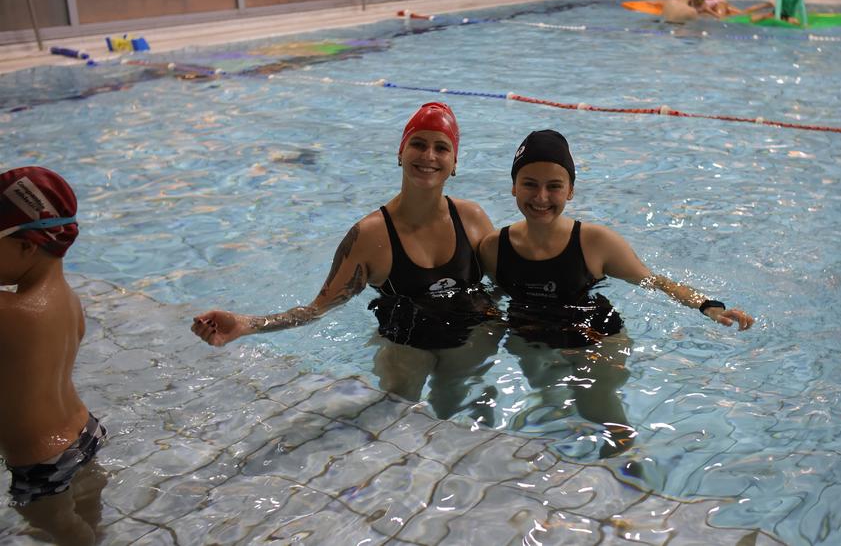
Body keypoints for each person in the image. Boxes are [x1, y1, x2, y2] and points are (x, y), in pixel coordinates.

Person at [192, 102, 501, 418]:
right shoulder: (370, 237)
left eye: (441, 148)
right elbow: (316, 309)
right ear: (400, 153)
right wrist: (246, 324)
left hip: (468, 337)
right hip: (405, 344)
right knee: (395, 409)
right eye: (418, 144)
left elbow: (504, 283)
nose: (429, 155)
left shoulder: (472, 219)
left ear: (454, 162)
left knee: (459, 409)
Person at [477, 130, 754, 457]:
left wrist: (709, 306)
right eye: (529, 184)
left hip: (597, 338)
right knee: (546, 395)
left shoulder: (595, 242)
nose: (541, 197)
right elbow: (493, 294)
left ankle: (626, 466)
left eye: (554, 186)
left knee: (600, 409)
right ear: (513, 186)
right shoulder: (494, 247)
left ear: (570, 191)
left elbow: (655, 281)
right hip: (531, 334)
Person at [0, 166, 107, 546]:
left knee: (68, 534)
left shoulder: (10, 312)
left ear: (26, 246)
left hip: (41, 461)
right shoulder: (68, 300)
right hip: (85, 430)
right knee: (89, 521)